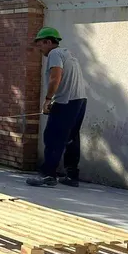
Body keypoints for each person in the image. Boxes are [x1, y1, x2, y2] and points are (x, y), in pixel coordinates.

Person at [26, 27, 88, 188]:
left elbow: (56, 77)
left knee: (53, 137)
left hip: (66, 102)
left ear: (48, 41)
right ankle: (72, 175)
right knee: (71, 138)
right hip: (79, 100)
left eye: (40, 45)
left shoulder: (54, 54)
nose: (39, 49)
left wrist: (48, 99)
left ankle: (48, 175)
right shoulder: (68, 54)